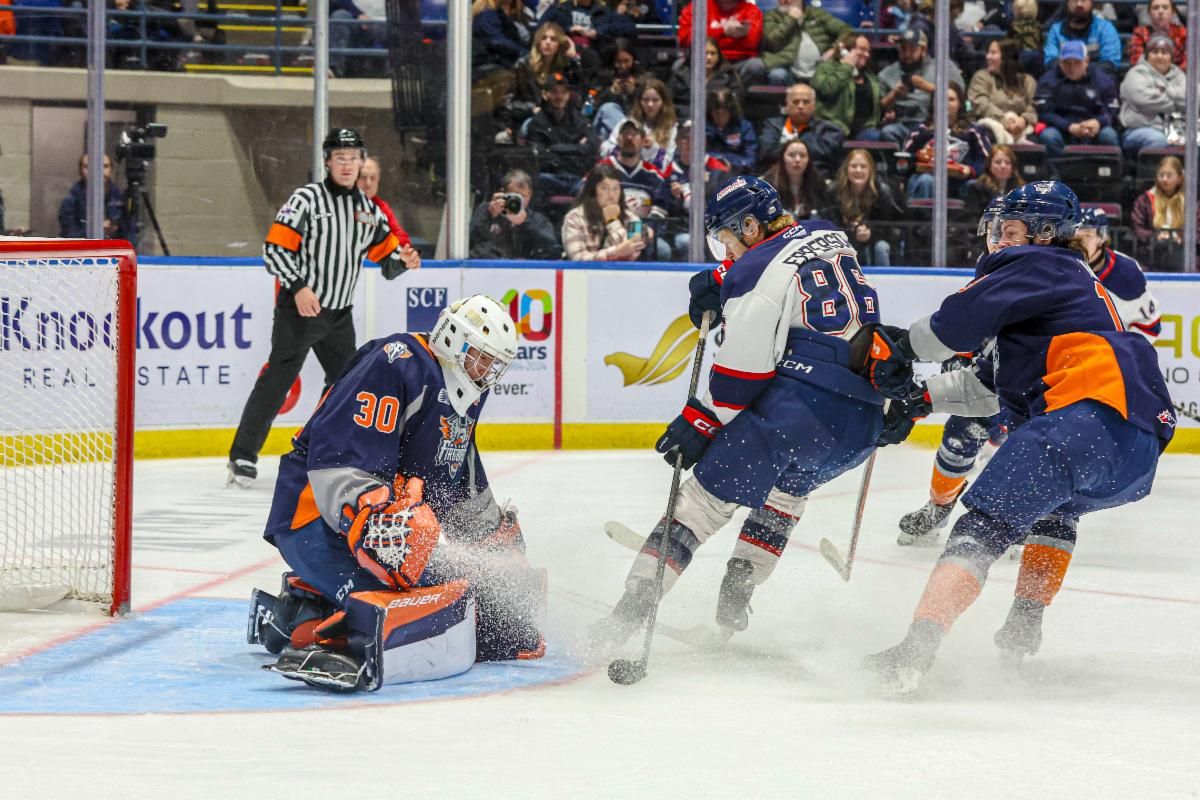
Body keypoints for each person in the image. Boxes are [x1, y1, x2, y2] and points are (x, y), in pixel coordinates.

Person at [863, 181, 1175, 694]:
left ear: (1045, 233)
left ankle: (914, 652)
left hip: (1085, 415)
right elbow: (986, 388)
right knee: (1056, 510)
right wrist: (920, 401)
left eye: (1011, 231)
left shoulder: (1040, 264)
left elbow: (951, 328)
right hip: (1138, 446)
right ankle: (1023, 629)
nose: (1000, 241)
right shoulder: (1064, 290)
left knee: (981, 526)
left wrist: (899, 348)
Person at [589, 175, 891, 649]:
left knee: (702, 504)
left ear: (750, 226)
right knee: (786, 492)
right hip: (864, 423)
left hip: (800, 413)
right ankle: (741, 584)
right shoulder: (828, 232)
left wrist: (699, 421)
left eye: (727, 239)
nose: (726, 250)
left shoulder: (754, 272)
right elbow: (792, 258)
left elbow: (739, 380)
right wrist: (724, 276)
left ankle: (626, 616)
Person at [247, 294, 546, 691]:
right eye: (482, 359)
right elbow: (338, 461)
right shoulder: (396, 362)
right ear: (454, 340)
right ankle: (304, 625)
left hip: (386, 531)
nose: (487, 373)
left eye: (495, 365)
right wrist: (381, 521)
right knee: (400, 610)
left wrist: (493, 540)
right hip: (315, 517)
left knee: (493, 615)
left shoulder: (468, 391)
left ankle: (308, 601)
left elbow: (459, 475)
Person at [227, 128, 420, 487]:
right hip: (300, 310)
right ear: (328, 162)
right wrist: (299, 287)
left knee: (346, 386)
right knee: (277, 381)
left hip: (339, 316)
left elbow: (388, 262)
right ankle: (242, 455)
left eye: (353, 158)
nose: (347, 165)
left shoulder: (368, 211)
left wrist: (404, 260)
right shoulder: (307, 199)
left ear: (361, 162)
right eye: (340, 158)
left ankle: (315, 448)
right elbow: (274, 250)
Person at [896, 199, 1010, 547]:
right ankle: (939, 508)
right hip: (994, 379)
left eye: (1009, 231)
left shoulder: (1041, 273)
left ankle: (1020, 520)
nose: (999, 239)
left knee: (1028, 446)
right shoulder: (987, 268)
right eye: (994, 230)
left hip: (1036, 385)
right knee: (961, 435)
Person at [1076, 207, 1162, 339]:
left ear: (1102, 237)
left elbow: (1150, 329)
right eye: (1075, 236)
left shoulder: (1125, 273)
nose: (1079, 243)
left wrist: (1116, 349)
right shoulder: (1059, 266)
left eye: (1087, 235)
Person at [902, 83, 992, 201]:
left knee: (975, 186)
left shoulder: (973, 131)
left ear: (960, 103)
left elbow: (987, 160)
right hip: (927, 179)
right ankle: (922, 213)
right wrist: (919, 156)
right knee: (926, 180)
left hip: (961, 182)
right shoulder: (920, 131)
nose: (945, 103)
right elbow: (904, 160)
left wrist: (971, 170)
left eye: (951, 99)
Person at [876, 28, 964, 148]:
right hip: (902, 124)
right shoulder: (887, 73)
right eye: (903, 49)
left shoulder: (944, 67)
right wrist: (894, 94)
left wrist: (928, 87)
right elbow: (880, 107)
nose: (907, 54)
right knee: (888, 132)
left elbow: (960, 94)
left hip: (933, 124)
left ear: (923, 50)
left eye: (912, 49)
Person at [598, 119, 672, 259]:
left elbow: (660, 209)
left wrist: (644, 231)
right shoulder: (603, 169)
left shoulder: (653, 175)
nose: (629, 138)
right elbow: (586, 197)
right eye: (625, 133)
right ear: (618, 140)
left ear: (643, 141)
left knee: (663, 250)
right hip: (607, 229)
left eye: (634, 134)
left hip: (643, 232)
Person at [1033, 40, 1119, 158]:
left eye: (1077, 62)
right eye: (1066, 63)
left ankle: (1107, 169)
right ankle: (1058, 169)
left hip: (1093, 128)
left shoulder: (1102, 79)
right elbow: (1044, 112)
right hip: (1061, 128)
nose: (1071, 67)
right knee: (1048, 136)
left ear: (1086, 61)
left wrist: (1099, 122)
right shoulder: (1047, 81)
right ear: (1060, 62)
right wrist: (1068, 126)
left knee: (1109, 135)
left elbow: (1112, 109)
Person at [739, 0, 851, 86]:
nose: (785, 0)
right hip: (786, 69)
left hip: (818, 70)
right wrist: (790, 19)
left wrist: (834, 49)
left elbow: (847, 31)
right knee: (777, 74)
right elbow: (771, 42)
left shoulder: (817, 14)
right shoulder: (771, 16)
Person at [526, 72, 599, 201]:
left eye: (563, 92)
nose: (559, 96)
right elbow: (539, 156)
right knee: (535, 182)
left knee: (594, 186)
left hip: (576, 177)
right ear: (545, 95)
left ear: (568, 95)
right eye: (554, 92)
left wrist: (554, 148)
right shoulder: (537, 123)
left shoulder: (579, 119)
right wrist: (577, 148)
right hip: (549, 177)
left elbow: (592, 147)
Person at [825, 148, 904, 266]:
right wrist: (852, 233)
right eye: (854, 166)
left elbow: (889, 227)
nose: (858, 170)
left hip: (875, 241)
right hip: (843, 239)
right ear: (846, 169)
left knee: (881, 247)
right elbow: (829, 224)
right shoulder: (834, 192)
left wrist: (870, 233)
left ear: (870, 170)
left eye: (863, 166)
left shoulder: (881, 192)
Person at [1119, 33, 1186, 158]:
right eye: (1155, 52)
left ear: (1171, 57)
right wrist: (1176, 104)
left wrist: (1165, 91)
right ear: (1147, 55)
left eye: (1164, 52)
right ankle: (1149, 172)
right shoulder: (1136, 74)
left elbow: (1191, 101)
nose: (1159, 56)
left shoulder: (1180, 76)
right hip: (1138, 129)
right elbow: (1143, 101)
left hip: (1176, 129)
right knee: (1158, 140)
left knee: (1194, 140)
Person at [561, 163, 647, 261]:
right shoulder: (574, 217)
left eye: (615, 188)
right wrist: (614, 252)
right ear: (593, 191)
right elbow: (577, 258)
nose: (611, 195)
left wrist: (613, 221)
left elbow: (633, 253)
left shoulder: (633, 218)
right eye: (604, 188)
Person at [470, 168, 561, 259]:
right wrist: (490, 216)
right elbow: (469, 243)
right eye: (514, 196)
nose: (517, 202)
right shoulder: (487, 209)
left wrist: (526, 222)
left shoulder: (537, 220)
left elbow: (553, 250)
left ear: (530, 195)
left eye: (523, 196)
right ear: (503, 193)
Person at [758, 82, 845, 176]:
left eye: (806, 102)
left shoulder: (828, 129)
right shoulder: (773, 125)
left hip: (816, 179)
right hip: (777, 178)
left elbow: (824, 155)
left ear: (813, 106)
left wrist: (786, 148)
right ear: (787, 105)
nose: (800, 106)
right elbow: (766, 152)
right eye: (795, 102)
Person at [812, 32, 882, 141]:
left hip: (864, 130)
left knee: (882, 137)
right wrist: (847, 66)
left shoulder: (870, 76)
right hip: (833, 126)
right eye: (862, 49)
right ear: (846, 50)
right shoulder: (825, 68)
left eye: (868, 51)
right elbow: (827, 89)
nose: (867, 55)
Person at [1131, 155, 1196, 271]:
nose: (1165, 179)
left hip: (1182, 256)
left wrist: (1182, 238)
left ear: (1180, 178)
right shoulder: (1144, 200)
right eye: (1161, 175)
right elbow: (1138, 228)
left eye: (1169, 175)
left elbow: (1197, 230)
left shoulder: (1190, 202)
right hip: (1152, 255)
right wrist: (1154, 236)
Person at [599, 78, 679, 172]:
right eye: (645, 100)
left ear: (663, 102)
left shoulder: (671, 128)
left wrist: (653, 148)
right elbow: (605, 149)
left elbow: (668, 165)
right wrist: (625, 147)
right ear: (640, 102)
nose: (650, 104)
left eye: (655, 100)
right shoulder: (627, 123)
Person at [678, 0, 765, 86]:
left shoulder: (752, 10)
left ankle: (738, 94)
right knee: (678, 66)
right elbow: (685, 39)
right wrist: (723, 31)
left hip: (740, 62)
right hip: (703, 60)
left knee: (756, 66)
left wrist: (710, 38)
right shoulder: (697, 8)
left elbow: (752, 43)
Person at [968, 39, 1036, 146]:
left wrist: (1024, 119)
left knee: (1038, 139)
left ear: (1006, 57)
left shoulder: (1027, 80)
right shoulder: (981, 77)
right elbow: (981, 104)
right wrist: (1004, 120)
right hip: (991, 125)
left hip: (1022, 127)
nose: (987, 57)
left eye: (993, 53)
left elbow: (1034, 104)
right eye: (988, 52)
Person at [357, 156, 420, 266]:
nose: (368, 183)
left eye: (373, 178)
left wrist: (408, 257)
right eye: (363, 177)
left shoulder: (381, 208)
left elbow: (401, 239)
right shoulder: (339, 203)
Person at [759, 139, 832, 221]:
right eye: (791, 155)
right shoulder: (767, 185)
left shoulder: (818, 183)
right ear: (782, 158)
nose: (797, 159)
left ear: (809, 160)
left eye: (803, 155)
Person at [57, 153, 126, 240]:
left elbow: (130, 233)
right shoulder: (71, 200)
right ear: (80, 171)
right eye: (88, 167)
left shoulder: (119, 197)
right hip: (83, 247)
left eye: (105, 166)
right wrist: (96, 229)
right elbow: (69, 234)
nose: (98, 171)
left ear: (111, 170)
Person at [1043, 0, 1121, 74]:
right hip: (1062, 79)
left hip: (1096, 80)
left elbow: (1110, 64)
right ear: (1067, 3)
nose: (1079, 4)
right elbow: (1050, 61)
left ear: (1092, 3)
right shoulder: (1056, 30)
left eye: (1084, 0)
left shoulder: (1105, 29)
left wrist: (1079, 71)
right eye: (1074, 0)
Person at [667, 37, 746, 108]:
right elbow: (668, 102)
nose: (709, 57)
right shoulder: (680, 75)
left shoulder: (728, 74)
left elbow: (737, 102)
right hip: (686, 116)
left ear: (719, 56)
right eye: (704, 53)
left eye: (713, 53)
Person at [962, 143, 1025, 222]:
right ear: (989, 165)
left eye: (1007, 163)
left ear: (1012, 167)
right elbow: (973, 219)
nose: (1003, 166)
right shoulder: (977, 187)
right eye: (998, 162)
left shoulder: (1021, 190)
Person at [705, 87, 758, 179]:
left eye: (724, 112)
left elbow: (751, 157)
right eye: (716, 112)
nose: (720, 116)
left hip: (737, 173)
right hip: (709, 172)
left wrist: (734, 164)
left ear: (731, 111)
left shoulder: (743, 127)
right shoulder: (703, 127)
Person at [1128, 0, 1187, 69]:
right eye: (1156, 8)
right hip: (1146, 73)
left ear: (1172, 12)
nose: (1160, 11)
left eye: (1165, 7)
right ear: (1149, 13)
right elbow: (1136, 61)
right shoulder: (1139, 33)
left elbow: (1187, 62)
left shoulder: (1182, 32)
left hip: (1177, 73)